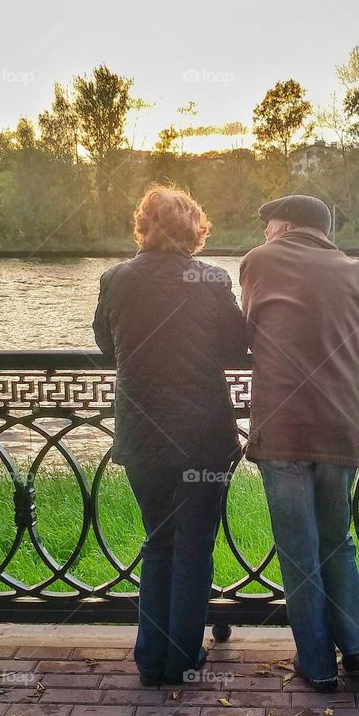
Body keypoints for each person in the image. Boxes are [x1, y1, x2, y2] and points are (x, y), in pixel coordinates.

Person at [239, 194, 359, 692]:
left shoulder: (258, 262)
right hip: (339, 427)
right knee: (337, 542)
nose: (265, 233)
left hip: (282, 430)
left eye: (268, 224)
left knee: (298, 552)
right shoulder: (357, 272)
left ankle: (317, 666)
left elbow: (246, 331)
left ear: (284, 226)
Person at [92, 184, 247, 687]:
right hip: (202, 436)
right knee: (195, 546)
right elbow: (235, 346)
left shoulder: (115, 279)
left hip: (141, 436)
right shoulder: (210, 279)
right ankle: (182, 658)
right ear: (194, 232)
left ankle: (150, 660)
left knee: (158, 541)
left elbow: (104, 343)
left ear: (143, 226)